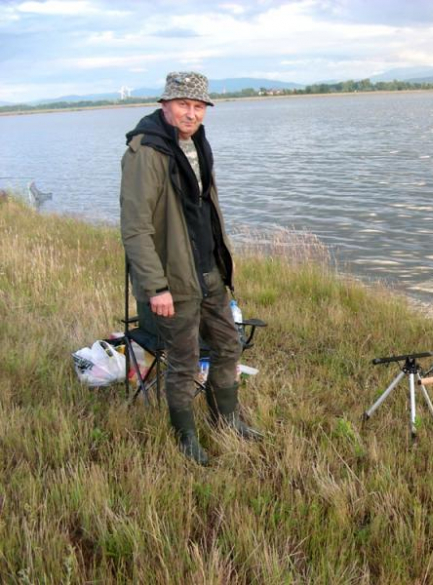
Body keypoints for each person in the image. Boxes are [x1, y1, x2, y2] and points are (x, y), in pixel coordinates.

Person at [120, 71, 260, 465]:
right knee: (182, 362)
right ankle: (186, 440)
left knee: (228, 344)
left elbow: (205, 210)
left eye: (198, 107)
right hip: (173, 279)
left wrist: (221, 264)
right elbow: (135, 228)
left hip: (208, 270)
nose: (191, 113)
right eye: (183, 104)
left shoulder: (197, 142)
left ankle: (228, 422)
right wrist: (155, 287)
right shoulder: (145, 152)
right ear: (165, 104)